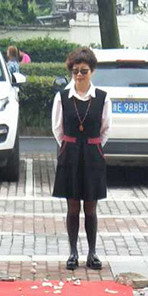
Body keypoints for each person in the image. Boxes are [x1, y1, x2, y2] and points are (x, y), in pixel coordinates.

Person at [51, 46, 111, 271]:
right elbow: (57, 129)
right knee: (73, 206)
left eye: (83, 71)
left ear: (92, 71)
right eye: (75, 71)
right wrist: (70, 146)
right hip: (70, 154)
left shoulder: (102, 98)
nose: (79, 75)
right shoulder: (62, 97)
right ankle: (73, 252)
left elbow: (105, 129)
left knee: (91, 207)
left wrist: (92, 146)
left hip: (93, 155)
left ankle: (92, 252)